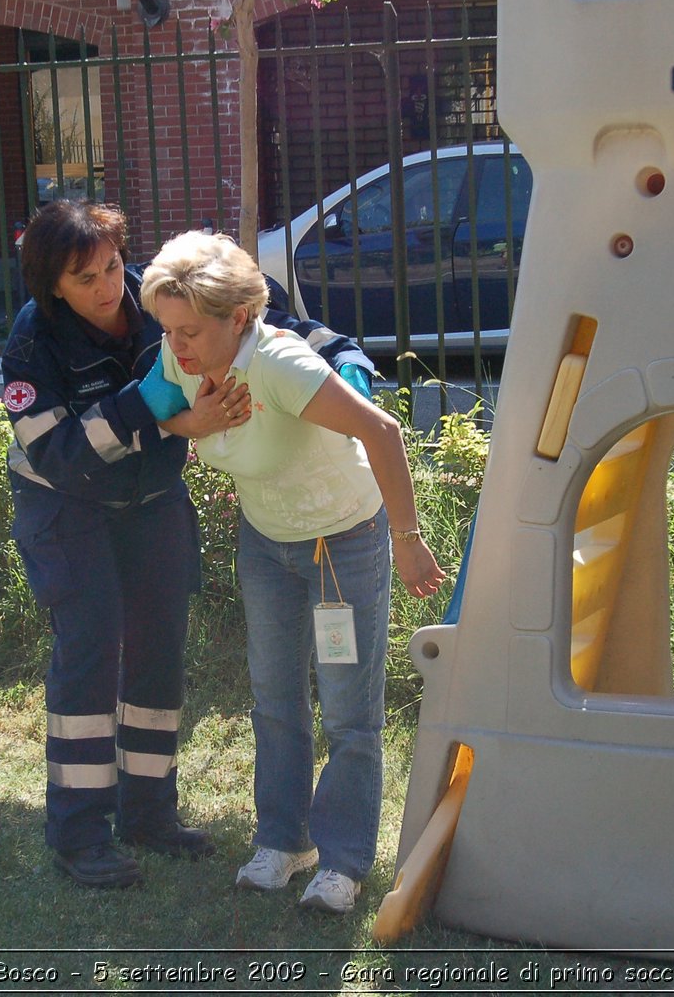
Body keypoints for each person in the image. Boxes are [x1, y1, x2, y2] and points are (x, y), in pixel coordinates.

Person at [2, 200, 375, 889]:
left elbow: (282, 331)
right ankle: (80, 833)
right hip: (67, 507)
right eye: (85, 278)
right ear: (52, 285)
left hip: (151, 502)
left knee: (158, 651)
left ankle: (147, 812)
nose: (109, 287)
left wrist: (346, 370)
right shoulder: (32, 344)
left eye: (113, 266)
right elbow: (60, 454)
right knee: (88, 656)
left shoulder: (166, 296)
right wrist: (170, 416)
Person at [138, 230, 444, 915]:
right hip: (267, 541)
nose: (176, 345)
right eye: (169, 329)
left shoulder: (281, 362)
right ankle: (284, 841)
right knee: (274, 699)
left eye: (189, 331)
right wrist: (200, 419)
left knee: (347, 711)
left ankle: (342, 861)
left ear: (239, 318)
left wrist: (408, 539)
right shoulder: (180, 350)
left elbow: (383, 432)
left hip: (343, 543)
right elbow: (157, 407)